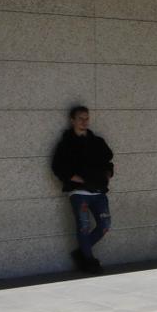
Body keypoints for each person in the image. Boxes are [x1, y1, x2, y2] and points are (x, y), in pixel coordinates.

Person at [50, 106, 114, 274]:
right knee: (83, 227)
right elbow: (57, 167)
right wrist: (76, 179)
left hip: (99, 192)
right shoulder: (66, 144)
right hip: (79, 194)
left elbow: (108, 161)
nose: (84, 122)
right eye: (80, 118)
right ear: (72, 120)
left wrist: (107, 174)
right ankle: (89, 261)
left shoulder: (97, 142)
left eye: (87, 118)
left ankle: (81, 253)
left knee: (105, 225)